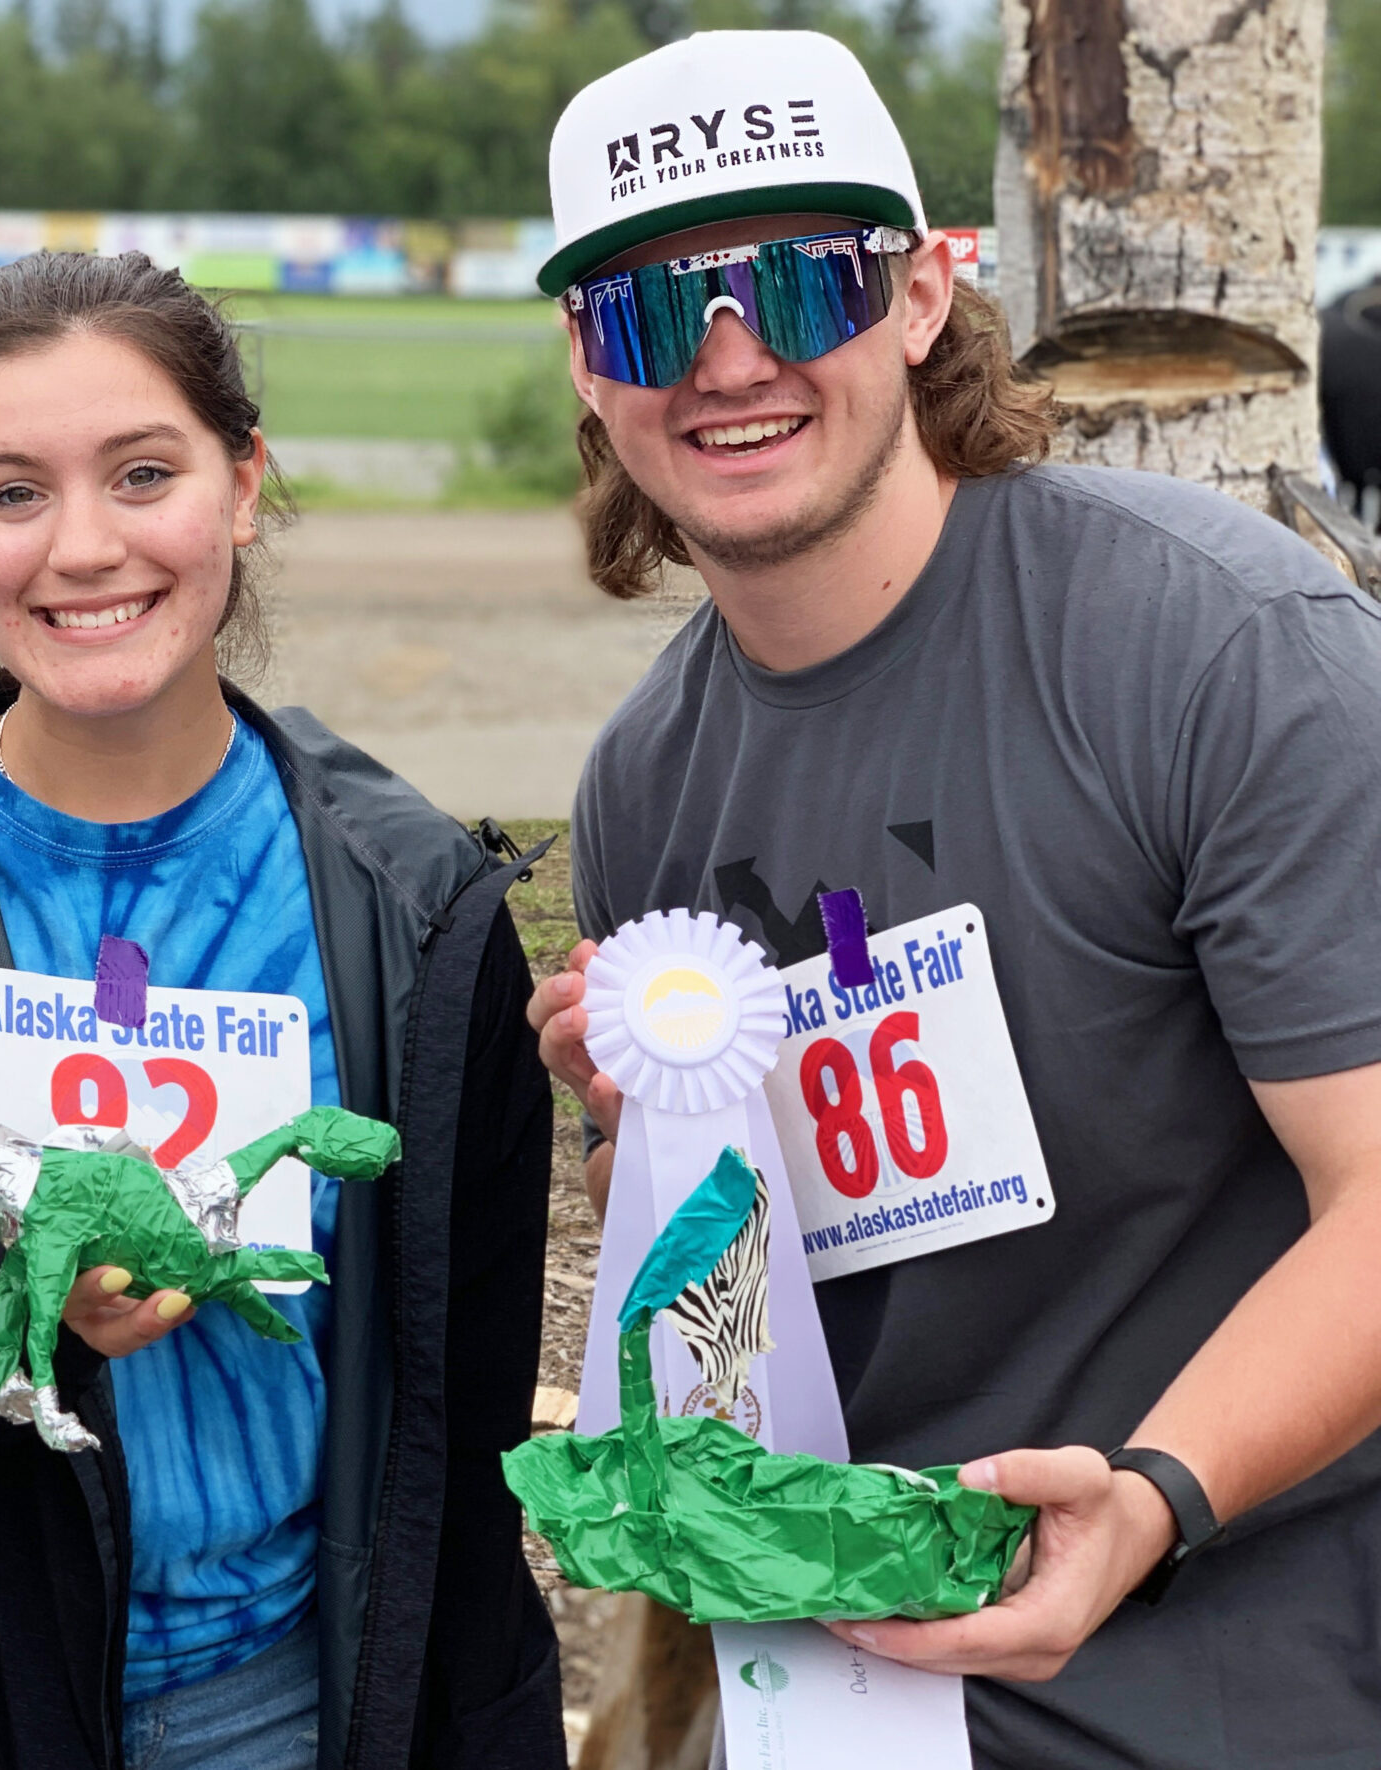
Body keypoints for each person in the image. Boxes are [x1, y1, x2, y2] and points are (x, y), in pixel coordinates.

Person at [524, 29, 1381, 1770]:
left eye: (798, 278)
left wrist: (1148, 1499)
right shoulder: (642, 779)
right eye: (649, 310)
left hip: (1241, 1671)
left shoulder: (1213, 650)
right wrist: (651, 1150)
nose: (729, 357)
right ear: (586, 369)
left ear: (921, 295)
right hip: (845, 1699)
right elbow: (769, 1303)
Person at [0, 251, 564, 1770]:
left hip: (295, 1703)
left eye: (144, 472)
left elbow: (465, 1403)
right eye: (13, 491)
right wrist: (32, 1310)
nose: (84, 547)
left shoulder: (418, 901)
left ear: (244, 485)